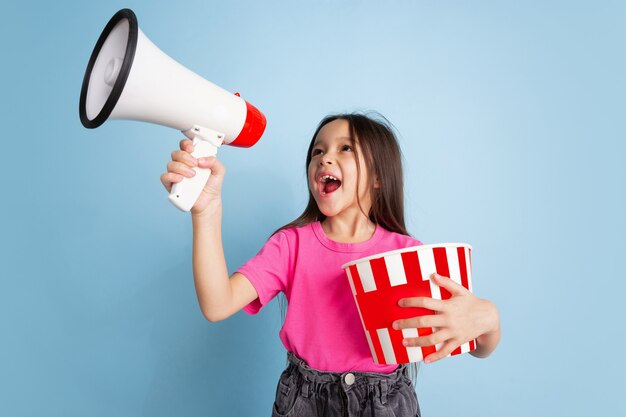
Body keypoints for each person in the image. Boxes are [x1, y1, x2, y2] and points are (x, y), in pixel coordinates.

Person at [160, 113, 501, 417]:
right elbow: (217, 304)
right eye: (318, 152)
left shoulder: (408, 255)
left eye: (345, 149)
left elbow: (478, 345)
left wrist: (488, 318)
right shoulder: (291, 246)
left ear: (378, 177)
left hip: (386, 404)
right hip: (303, 401)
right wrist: (206, 212)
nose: (325, 159)